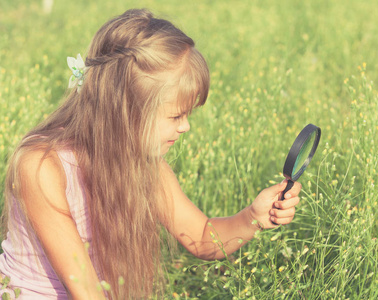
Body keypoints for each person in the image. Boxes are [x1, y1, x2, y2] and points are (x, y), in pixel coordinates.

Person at [0, 8, 301, 299]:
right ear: (125, 112)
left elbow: (200, 237)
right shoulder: (42, 166)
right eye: (175, 116)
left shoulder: (144, 166)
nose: (186, 128)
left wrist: (253, 217)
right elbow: (86, 290)